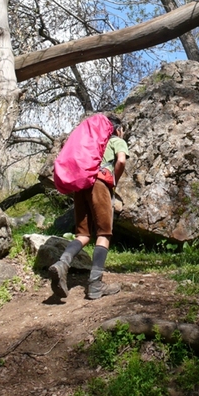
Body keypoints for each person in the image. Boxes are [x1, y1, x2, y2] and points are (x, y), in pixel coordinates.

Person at [48, 113, 129, 300]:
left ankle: (62, 264)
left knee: (83, 235)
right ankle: (95, 285)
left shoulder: (94, 144)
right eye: (122, 129)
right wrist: (114, 180)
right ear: (116, 129)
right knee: (104, 234)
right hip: (100, 185)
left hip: (82, 186)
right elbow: (122, 160)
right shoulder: (117, 141)